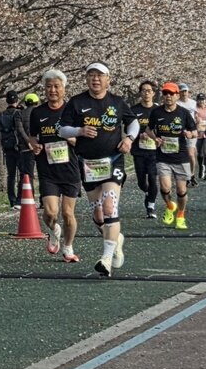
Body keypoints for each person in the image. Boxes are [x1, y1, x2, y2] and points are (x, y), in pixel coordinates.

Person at [58, 62, 138, 277]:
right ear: (86, 79)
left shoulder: (117, 102)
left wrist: (129, 139)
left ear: (108, 79)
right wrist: (80, 130)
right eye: (91, 75)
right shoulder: (77, 102)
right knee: (98, 214)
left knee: (110, 206)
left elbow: (134, 123)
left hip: (113, 160)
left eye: (100, 75)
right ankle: (116, 239)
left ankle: (106, 259)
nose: (95, 79)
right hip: (89, 163)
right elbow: (62, 130)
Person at [25, 69, 82, 263]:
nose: (53, 90)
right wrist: (34, 145)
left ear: (64, 89)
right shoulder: (38, 113)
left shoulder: (72, 112)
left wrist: (74, 140)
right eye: (49, 87)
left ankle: (68, 247)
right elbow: (32, 138)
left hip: (70, 168)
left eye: (57, 86)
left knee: (67, 213)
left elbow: (82, 137)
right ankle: (54, 230)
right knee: (50, 213)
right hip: (47, 169)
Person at [151, 82, 199, 230]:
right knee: (165, 188)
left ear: (177, 95)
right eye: (165, 94)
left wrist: (190, 134)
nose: (168, 97)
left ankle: (180, 214)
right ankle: (170, 205)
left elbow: (195, 132)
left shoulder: (183, 113)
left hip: (181, 157)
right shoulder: (156, 112)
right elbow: (148, 129)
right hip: (163, 156)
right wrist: (155, 138)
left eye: (171, 94)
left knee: (181, 191)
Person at [131, 80, 161, 218]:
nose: (146, 93)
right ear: (140, 93)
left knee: (153, 178)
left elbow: (163, 128)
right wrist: (139, 135)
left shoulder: (158, 110)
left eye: (149, 90)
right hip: (139, 150)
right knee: (142, 182)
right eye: (144, 90)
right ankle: (148, 193)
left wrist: (155, 137)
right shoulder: (134, 110)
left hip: (154, 151)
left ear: (153, 93)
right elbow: (128, 129)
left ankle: (151, 206)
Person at [0, 90, 26, 207]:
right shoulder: (19, 113)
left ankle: (11, 200)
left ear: (7, 101)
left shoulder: (0, 115)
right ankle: (19, 199)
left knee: (10, 175)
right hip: (18, 147)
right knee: (22, 173)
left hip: (7, 148)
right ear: (17, 100)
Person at [18, 92, 41, 185]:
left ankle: (29, 194)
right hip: (40, 146)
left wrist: (28, 141)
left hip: (26, 147)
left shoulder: (20, 114)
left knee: (27, 174)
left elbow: (20, 129)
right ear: (36, 102)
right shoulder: (41, 113)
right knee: (44, 173)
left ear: (26, 102)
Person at [193, 93, 206, 181]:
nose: (201, 101)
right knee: (199, 154)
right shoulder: (195, 110)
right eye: (200, 99)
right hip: (198, 134)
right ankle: (201, 167)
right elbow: (192, 121)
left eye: (203, 99)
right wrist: (196, 120)